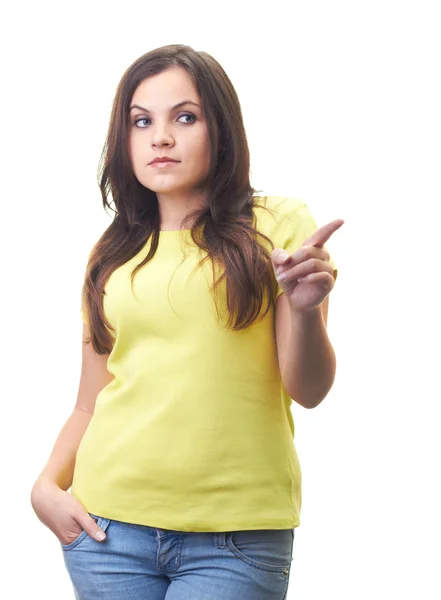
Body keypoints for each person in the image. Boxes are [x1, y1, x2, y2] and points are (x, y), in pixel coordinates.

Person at [30, 44, 343, 600]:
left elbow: (309, 390)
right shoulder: (112, 252)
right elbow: (90, 400)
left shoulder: (277, 224)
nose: (161, 138)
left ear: (220, 127)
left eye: (185, 117)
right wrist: (47, 486)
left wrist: (306, 310)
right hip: (109, 532)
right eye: (141, 121)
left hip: (237, 538)